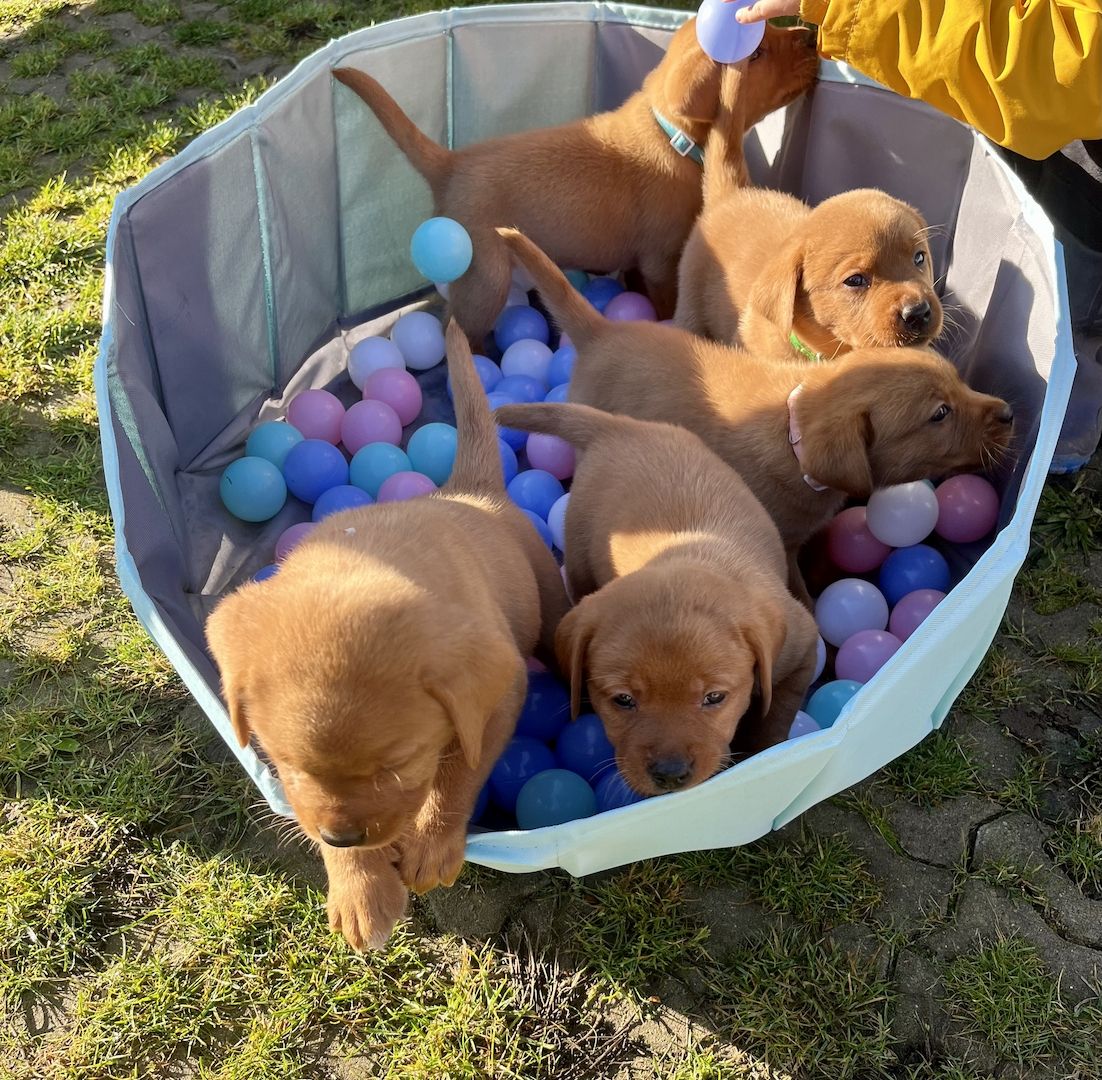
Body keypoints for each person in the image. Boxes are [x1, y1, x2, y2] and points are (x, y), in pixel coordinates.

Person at [730, 0, 1102, 473]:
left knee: (1078, 303)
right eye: (858, 281)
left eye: (920, 258)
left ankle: (1058, 434)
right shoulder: (773, 344)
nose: (916, 301)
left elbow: (1067, 65)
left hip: (1071, 132)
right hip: (1008, 79)